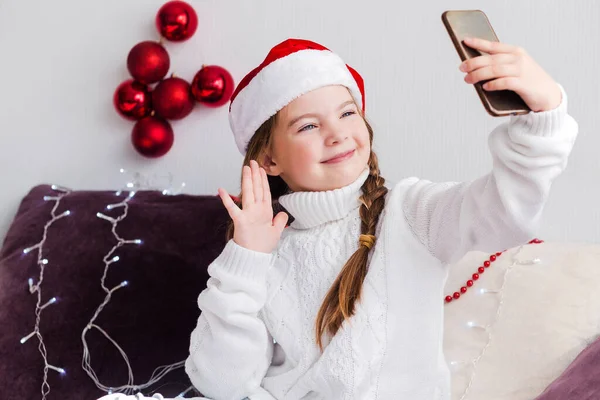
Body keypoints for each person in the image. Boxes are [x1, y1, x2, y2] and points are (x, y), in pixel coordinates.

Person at [98, 36, 578, 400]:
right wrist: (246, 259)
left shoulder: (411, 213)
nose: (337, 134)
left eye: (348, 113)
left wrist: (542, 117)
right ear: (268, 160)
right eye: (308, 125)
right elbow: (221, 382)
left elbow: (506, 214)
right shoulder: (262, 247)